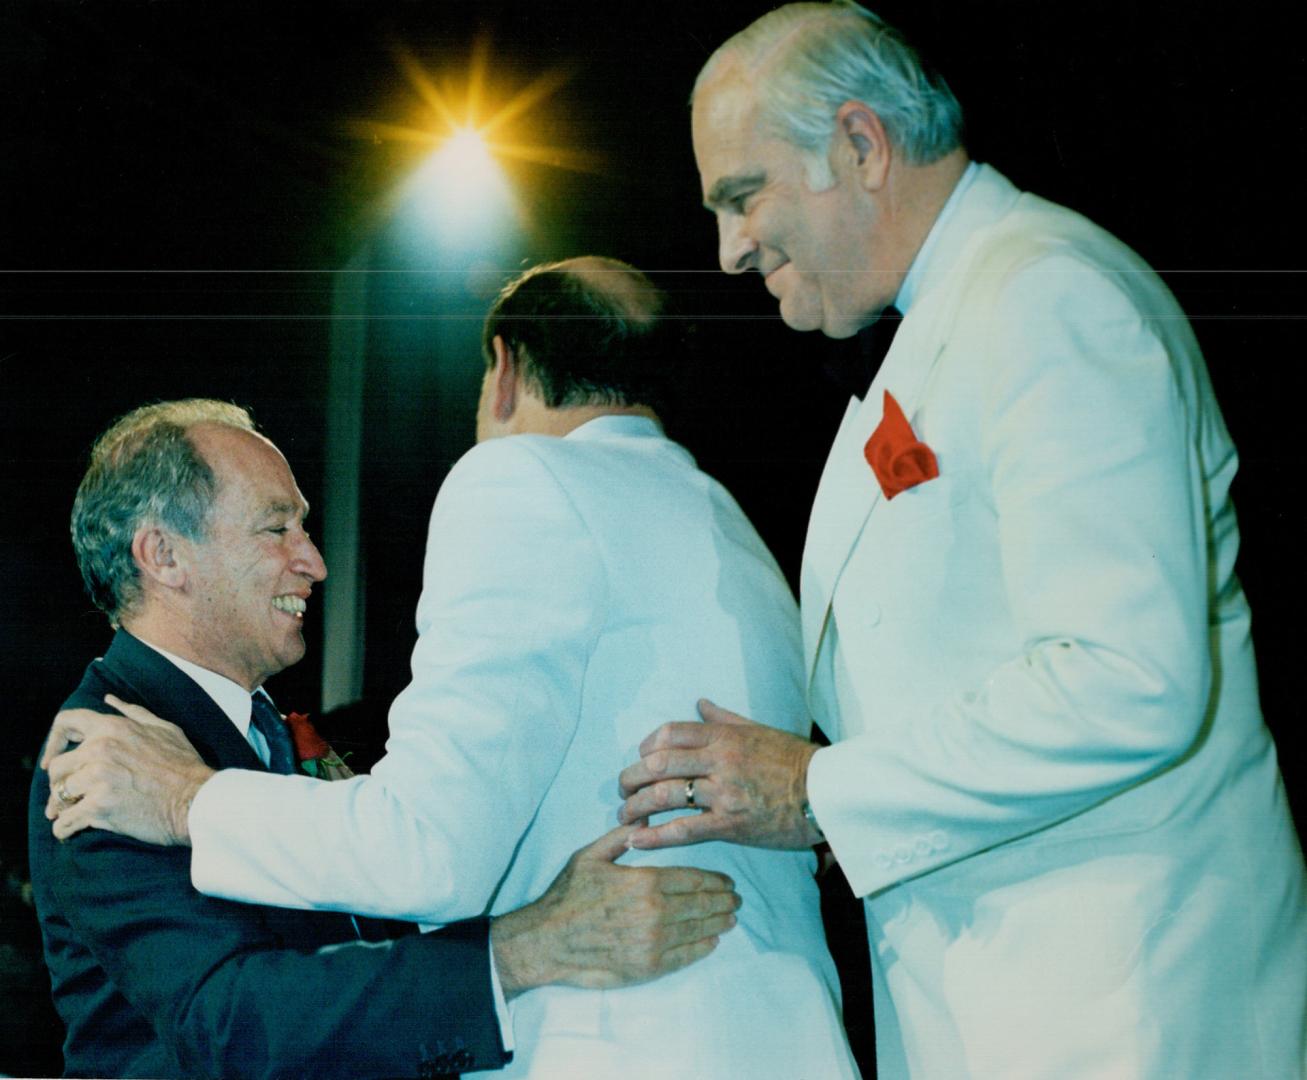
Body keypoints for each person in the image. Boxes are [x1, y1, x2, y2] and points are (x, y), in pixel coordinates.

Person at [614, 4, 1307, 1078]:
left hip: (1117, 1007)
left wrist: (816, 790)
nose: (728, 248)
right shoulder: (947, 322)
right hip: (1000, 1004)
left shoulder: (1048, 295)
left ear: (859, 145)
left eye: (741, 197)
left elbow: (1126, 679)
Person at [43, 259, 859, 1077]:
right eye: (275, 528)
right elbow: (229, 1021)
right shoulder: (108, 754)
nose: (315, 562)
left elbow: (418, 857)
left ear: (502, 369)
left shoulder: (521, 481)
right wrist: (515, 951)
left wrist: (190, 799)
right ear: (163, 555)